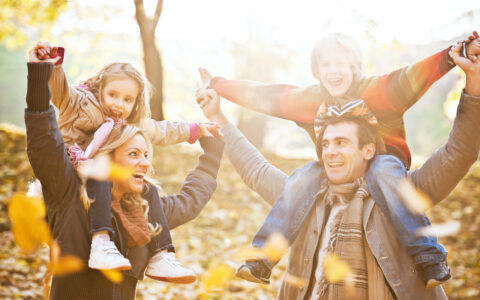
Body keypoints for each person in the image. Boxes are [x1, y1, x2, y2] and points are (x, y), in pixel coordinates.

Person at [195, 42, 480, 299]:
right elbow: (263, 108)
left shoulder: (402, 192)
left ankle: (428, 256)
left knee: (383, 172)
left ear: (367, 149)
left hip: (389, 171)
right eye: (325, 143)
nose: (330, 151)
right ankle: (261, 259)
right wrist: (217, 102)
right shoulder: (302, 196)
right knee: (305, 175)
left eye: (342, 142)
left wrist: (459, 61)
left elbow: (457, 149)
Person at [24, 60, 224, 299]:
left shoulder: (143, 209)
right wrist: (40, 71)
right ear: (110, 155)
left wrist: (212, 147)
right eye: (133, 154)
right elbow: (43, 138)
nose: (145, 163)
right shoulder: (69, 196)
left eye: (146, 155)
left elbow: (189, 203)